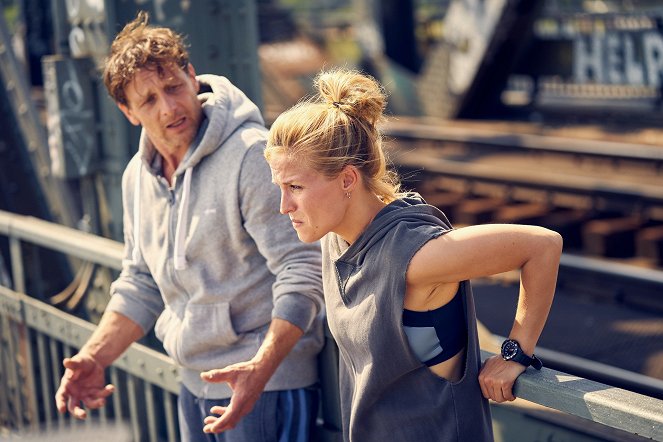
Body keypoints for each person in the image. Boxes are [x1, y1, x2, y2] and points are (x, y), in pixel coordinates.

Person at [54, 11, 325, 441]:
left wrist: (263, 366)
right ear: (128, 112)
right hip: (192, 383)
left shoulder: (250, 155)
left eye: (173, 86)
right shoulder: (137, 177)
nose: (169, 107)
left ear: (192, 76)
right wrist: (94, 356)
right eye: (148, 100)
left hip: (268, 385)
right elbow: (141, 282)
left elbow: (304, 269)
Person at [264, 68, 563, 442]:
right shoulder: (337, 238)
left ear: (346, 180)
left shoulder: (415, 254)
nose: (283, 206)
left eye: (295, 187)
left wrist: (515, 353)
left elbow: (542, 244)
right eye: (280, 187)